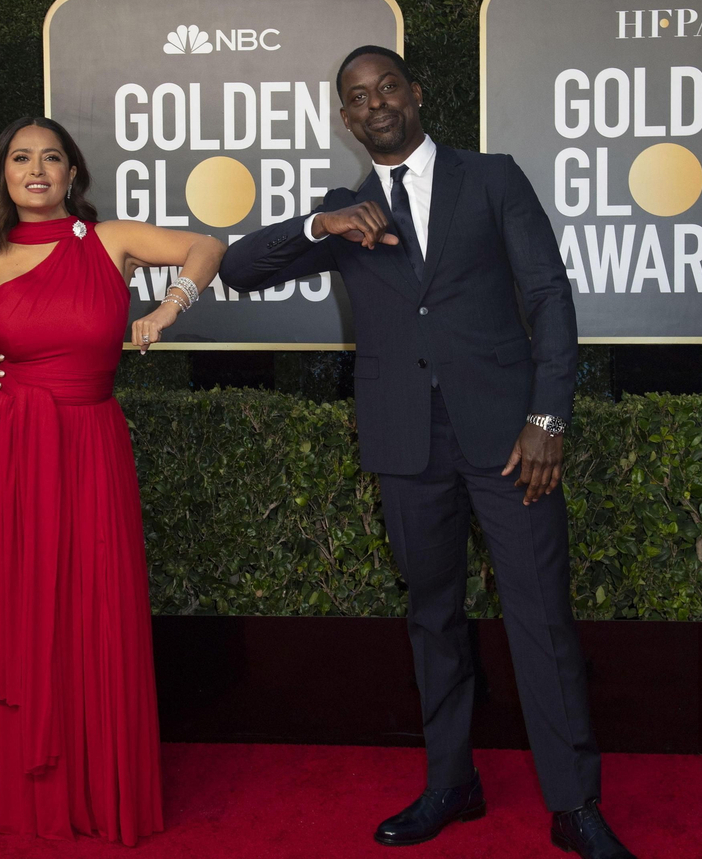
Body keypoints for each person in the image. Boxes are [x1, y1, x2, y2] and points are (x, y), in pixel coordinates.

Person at [221, 47, 635, 859]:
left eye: (387, 87)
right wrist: (318, 223)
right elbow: (237, 270)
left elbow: (549, 296)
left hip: (511, 443)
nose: (375, 103)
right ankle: (452, 782)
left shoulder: (492, 179)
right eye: (357, 97)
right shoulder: (347, 212)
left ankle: (575, 805)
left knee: (541, 616)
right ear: (345, 120)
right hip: (406, 444)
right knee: (432, 614)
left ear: (415, 93)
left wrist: (549, 418)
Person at [0, 115, 224, 844]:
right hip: (7, 449)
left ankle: (93, 781)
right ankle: (14, 784)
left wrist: (167, 306)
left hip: (90, 445)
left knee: (91, 601)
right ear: (2, 174)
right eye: (21, 157)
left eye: (51, 158)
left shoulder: (110, 242)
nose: (36, 169)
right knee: (20, 600)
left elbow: (207, 245)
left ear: (72, 174)